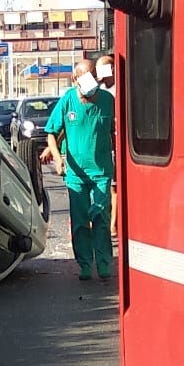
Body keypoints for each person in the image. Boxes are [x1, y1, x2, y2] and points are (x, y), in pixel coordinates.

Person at [43, 59, 115, 280]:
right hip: (76, 175)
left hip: (101, 171)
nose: (89, 81)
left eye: (93, 75)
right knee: (80, 220)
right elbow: (52, 132)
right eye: (84, 77)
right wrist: (56, 157)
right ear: (75, 80)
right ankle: (85, 264)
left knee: (101, 216)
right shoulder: (67, 100)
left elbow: (114, 132)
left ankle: (104, 264)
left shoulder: (107, 100)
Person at [95, 55, 118, 239]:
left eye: (103, 69)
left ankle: (112, 227)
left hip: (115, 142)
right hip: (102, 145)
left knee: (113, 188)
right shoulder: (98, 90)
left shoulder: (119, 88)